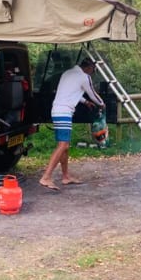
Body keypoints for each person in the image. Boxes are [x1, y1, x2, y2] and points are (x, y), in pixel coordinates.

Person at [39, 57, 105, 191]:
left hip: (57, 110)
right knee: (63, 145)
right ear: (90, 67)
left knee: (65, 146)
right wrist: (102, 104)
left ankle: (65, 176)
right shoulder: (84, 77)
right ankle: (46, 177)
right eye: (93, 70)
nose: (92, 73)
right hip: (64, 112)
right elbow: (92, 94)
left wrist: (84, 102)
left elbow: (70, 92)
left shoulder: (68, 73)